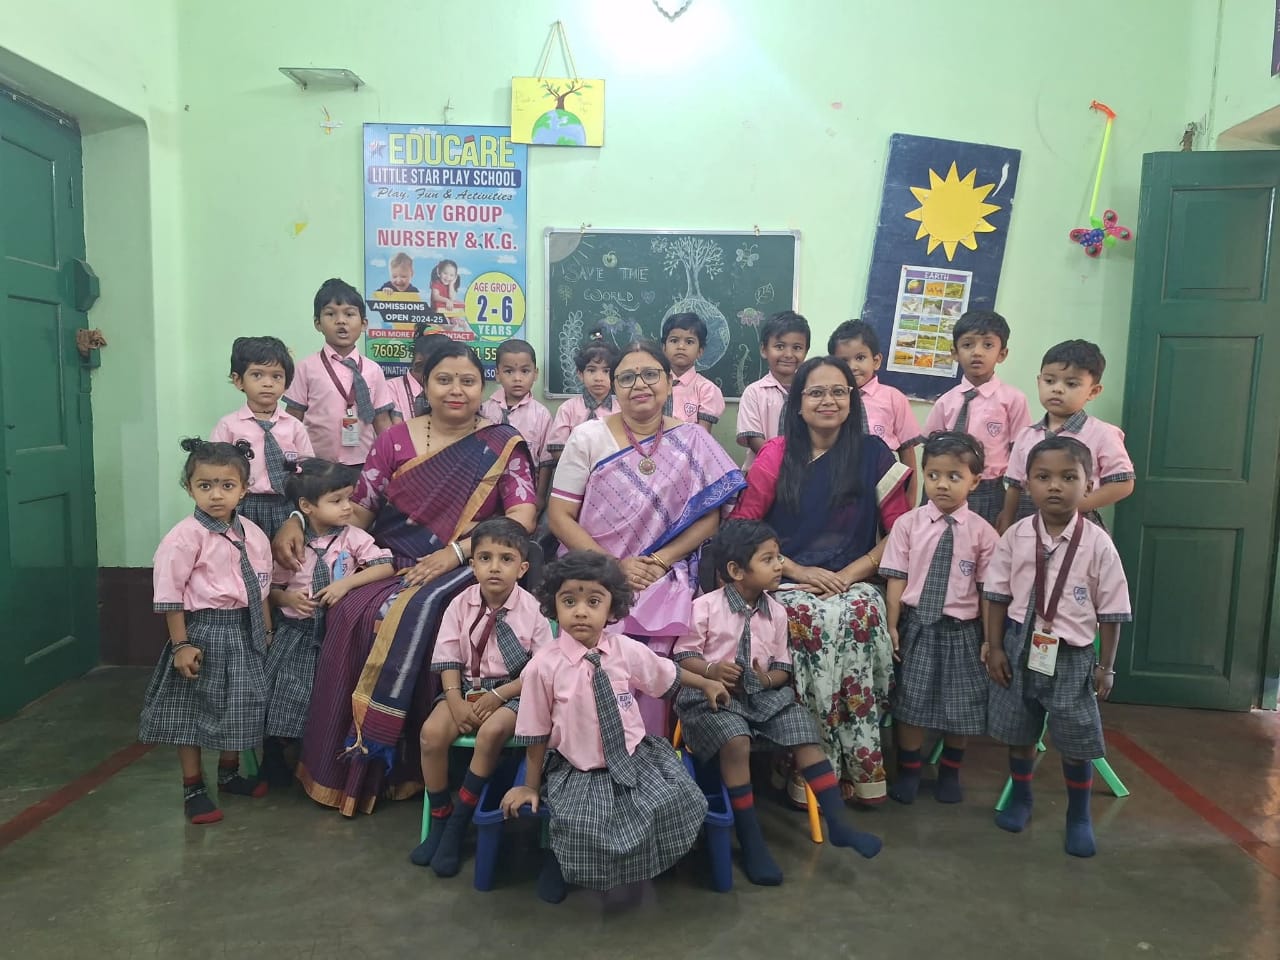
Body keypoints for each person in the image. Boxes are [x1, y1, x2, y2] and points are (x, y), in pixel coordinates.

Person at [272, 340, 538, 816]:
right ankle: (353, 762)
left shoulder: (503, 443)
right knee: (353, 609)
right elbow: (359, 511)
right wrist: (298, 518)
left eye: (468, 381)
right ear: (424, 385)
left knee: (420, 609)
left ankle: (411, 762)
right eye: (444, 379)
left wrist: (456, 553)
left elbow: (522, 517)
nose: (456, 390)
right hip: (392, 558)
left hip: (471, 562)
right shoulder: (394, 440)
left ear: (482, 388)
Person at [731, 356, 912, 805]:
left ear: (852, 400)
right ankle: (809, 767)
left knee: (860, 612)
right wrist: (794, 570)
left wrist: (849, 574)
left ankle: (861, 765)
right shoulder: (777, 454)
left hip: (854, 577)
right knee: (807, 618)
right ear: (798, 402)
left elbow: (902, 532)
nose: (827, 400)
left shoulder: (874, 454)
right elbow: (743, 527)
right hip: (785, 578)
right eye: (815, 392)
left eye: (838, 391)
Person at [501, 551, 730, 903]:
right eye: (569, 601)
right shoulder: (542, 667)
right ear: (554, 606)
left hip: (635, 757)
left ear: (612, 609)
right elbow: (535, 732)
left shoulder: (624, 650)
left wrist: (707, 683)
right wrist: (530, 786)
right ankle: (559, 864)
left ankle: (656, 862)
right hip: (579, 767)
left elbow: (665, 672)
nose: (581, 611)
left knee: (677, 799)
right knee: (581, 823)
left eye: (593, 601)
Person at [548, 340, 745, 736]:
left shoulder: (693, 439)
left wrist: (659, 561)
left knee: (659, 648)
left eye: (650, 374)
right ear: (614, 386)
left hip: (665, 571)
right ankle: (588, 748)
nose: (639, 385)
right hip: (595, 569)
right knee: (597, 641)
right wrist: (614, 566)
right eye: (627, 377)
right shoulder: (588, 437)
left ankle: (649, 748)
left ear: (669, 383)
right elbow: (559, 516)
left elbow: (711, 518)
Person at [674, 520, 883, 886]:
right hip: (711, 695)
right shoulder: (704, 607)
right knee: (736, 739)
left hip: (762, 696)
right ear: (737, 570)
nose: (779, 566)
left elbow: (783, 669)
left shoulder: (777, 612)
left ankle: (839, 824)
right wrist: (711, 670)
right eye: (768, 559)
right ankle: (751, 840)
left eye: (779, 557)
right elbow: (682, 656)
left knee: (803, 727)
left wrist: (765, 680)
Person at [983, 436, 1132, 858]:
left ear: (1088, 485)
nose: (1055, 486)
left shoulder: (1098, 543)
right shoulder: (1015, 536)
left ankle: (1079, 816)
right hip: (1018, 645)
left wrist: (1106, 667)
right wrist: (995, 647)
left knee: (1076, 739)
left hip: (1071, 655)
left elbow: (1113, 611)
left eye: (1068, 477)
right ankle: (1022, 798)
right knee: (1019, 730)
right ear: (1027, 483)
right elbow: (995, 595)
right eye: (1043, 477)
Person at [139, 438, 273, 824]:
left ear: (244, 489)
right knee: (194, 712)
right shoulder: (184, 538)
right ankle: (193, 787)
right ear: (189, 488)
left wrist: (266, 633)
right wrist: (181, 644)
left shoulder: (253, 534)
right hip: (203, 633)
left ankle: (229, 774)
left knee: (240, 706)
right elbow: (170, 596)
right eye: (205, 485)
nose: (216, 495)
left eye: (227, 485)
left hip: (245, 631)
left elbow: (262, 589)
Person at [411, 517, 552, 877]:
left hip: (515, 691)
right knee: (431, 735)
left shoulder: (534, 611)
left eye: (506, 559)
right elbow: (447, 659)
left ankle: (460, 822)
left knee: (491, 733)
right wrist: (456, 701)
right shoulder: (458, 605)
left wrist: (500, 695)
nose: (495, 567)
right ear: (472, 565)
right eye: (485, 558)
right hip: (466, 689)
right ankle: (441, 817)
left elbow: (541, 670)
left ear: (522, 569)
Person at [881, 432, 998, 805]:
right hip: (917, 626)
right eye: (933, 475)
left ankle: (950, 772)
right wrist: (892, 626)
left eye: (954, 476)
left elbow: (988, 592)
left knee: (961, 706)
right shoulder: (908, 525)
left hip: (963, 630)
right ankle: (910, 771)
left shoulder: (983, 533)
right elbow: (896, 578)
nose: (942, 484)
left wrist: (989, 639)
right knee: (910, 704)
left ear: (974, 481)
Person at [262, 458, 394, 787]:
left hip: (335, 634)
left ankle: (317, 760)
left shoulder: (352, 538)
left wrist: (346, 584)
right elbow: (271, 591)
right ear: (306, 506)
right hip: (296, 635)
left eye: (349, 498)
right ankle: (275, 758)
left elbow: (386, 566)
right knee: (285, 695)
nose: (348, 507)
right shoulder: (292, 546)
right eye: (336, 501)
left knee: (326, 698)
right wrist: (288, 599)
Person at [997, 340, 1134, 533]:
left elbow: (1124, 483)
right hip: (1028, 524)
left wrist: (1078, 505)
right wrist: (1006, 525)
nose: (1057, 389)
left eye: (1071, 384)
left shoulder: (1103, 434)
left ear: (1093, 391)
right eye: (1049, 381)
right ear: (1039, 381)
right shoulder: (1027, 435)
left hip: (1078, 525)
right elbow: (1014, 487)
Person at [922, 310, 1030, 526]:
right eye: (968, 345)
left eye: (988, 345)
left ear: (1002, 354)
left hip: (988, 490)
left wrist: (1010, 510)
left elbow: (1021, 452)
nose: (977, 352)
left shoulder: (1013, 400)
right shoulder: (945, 401)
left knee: (985, 544)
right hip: (946, 486)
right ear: (954, 352)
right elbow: (930, 449)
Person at [283, 278, 396, 466]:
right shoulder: (306, 367)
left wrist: (392, 461)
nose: (341, 321)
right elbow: (293, 417)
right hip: (316, 464)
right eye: (330, 314)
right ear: (318, 323)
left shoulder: (373, 370)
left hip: (363, 463)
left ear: (364, 324)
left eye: (349, 314)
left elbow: (382, 421)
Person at [211, 336, 314, 538]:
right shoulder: (228, 426)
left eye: (277, 376)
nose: (268, 383)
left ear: (287, 383)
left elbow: (307, 470)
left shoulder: (294, 426)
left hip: (286, 506)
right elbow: (214, 469)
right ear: (238, 380)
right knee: (243, 551)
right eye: (257, 375)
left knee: (285, 553)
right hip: (242, 504)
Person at [829, 320, 922, 506]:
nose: (852, 366)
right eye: (844, 361)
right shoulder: (830, 400)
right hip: (837, 485)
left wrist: (909, 501)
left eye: (860, 358)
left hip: (885, 484)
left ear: (876, 361)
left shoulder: (894, 398)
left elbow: (907, 454)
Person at [480, 339, 554, 512]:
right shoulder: (484, 410)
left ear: (535, 374)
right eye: (509, 371)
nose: (517, 378)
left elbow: (546, 461)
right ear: (497, 374)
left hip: (525, 490)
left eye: (525, 371)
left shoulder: (541, 414)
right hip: (486, 489)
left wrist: (540, 497)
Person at [736, 310, 810, 469]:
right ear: (764, 350)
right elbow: (754, 439)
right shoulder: (754, 392)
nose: (788, 354)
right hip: (762, 472)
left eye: (797, 347)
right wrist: (784, 466)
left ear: (806, 352)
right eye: (780, 346)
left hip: (804, 471)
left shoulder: (811, 392)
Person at [546, 329, 618, 462]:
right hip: (574, 470)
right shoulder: (567, 409)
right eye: (591, 370)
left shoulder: (622, 409)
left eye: (606, 371)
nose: (598, 378)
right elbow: (557, 449)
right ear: (580, 374)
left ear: (615, 375)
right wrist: (581, 466)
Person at [661, 311, 725, 430]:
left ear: (700, 351)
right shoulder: (654, 384)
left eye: (689, 342)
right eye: (674, 341)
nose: (681, 347)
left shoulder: (707, 390)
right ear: (664, 348)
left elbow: (702, 435)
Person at [387, 325, 450, 423]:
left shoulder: (453, 389)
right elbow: (392, 428)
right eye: (440, 367)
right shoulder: (390, 388)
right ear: (418, 365)